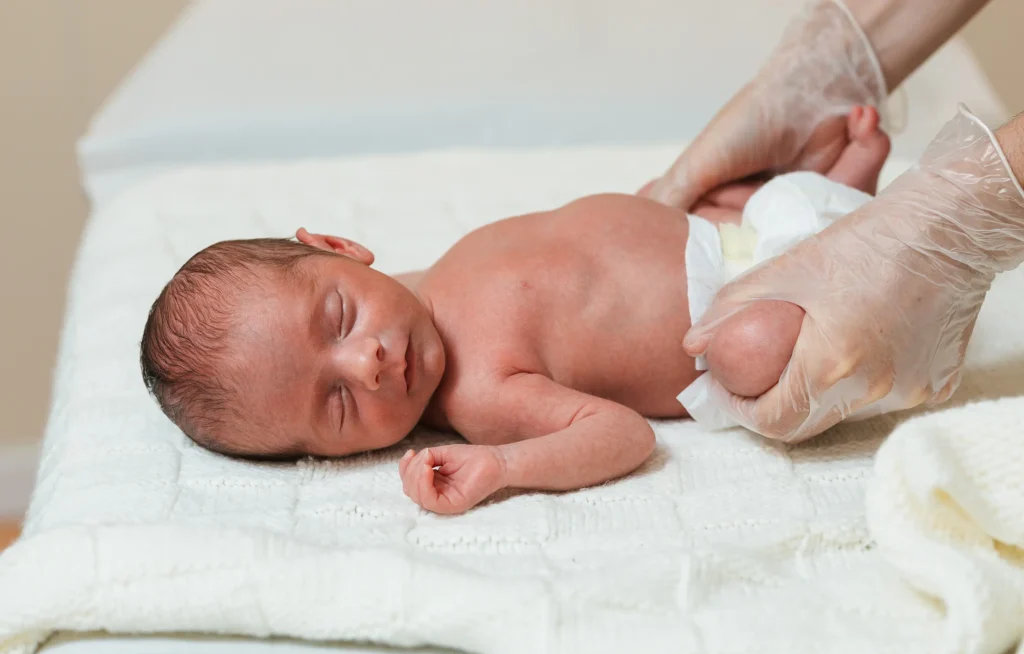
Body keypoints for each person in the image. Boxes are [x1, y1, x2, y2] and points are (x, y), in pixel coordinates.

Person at [140, 109, 890, 514]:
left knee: (697, 186)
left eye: (337, 318)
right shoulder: (479, 396)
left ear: (341, 247)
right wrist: (504, 466)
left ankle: (840, 196)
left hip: (722, 228)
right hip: (744, 308)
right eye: (335, 403)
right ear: (331, 457)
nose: (364, 363)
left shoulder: (424, 278)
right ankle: (864, 230)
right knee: (750, 352)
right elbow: (623, 435)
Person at [643, 0, 1024, 442]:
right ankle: (840, 196)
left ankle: (842, 202)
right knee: (740, 333)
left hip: (743, 263)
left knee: (742, 334)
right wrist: (827, 72)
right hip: (745, 279)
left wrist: (971, 209)